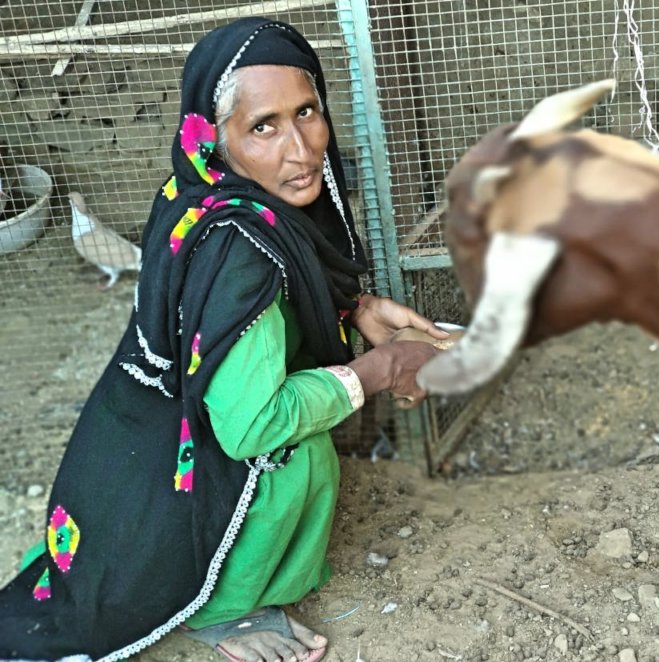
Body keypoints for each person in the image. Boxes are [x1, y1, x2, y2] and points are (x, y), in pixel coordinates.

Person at [0, 17, 448, 662]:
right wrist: (381, 368)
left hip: (129, 450)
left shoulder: (194, 193)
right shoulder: (245, 253)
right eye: (262, 126)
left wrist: (356, 310)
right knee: (299, 449)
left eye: (307, 112)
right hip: (203, 463)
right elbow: (250, 428)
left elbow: (251, 323)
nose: (301, 149)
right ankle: (225, 607)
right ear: (216, 138)